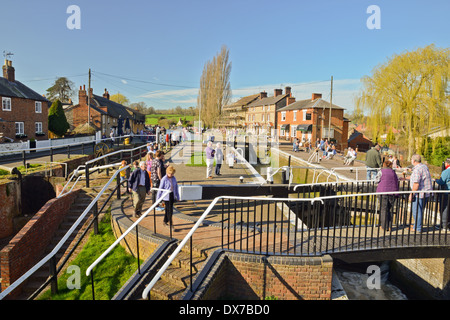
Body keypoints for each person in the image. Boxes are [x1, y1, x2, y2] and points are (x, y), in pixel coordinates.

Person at [409, 154, 433, 232]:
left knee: (416, 210)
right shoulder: (424, 167)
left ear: (414, 161)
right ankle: (417, 225)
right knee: (420, 210)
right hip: (426, 192)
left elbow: (416, 184)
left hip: (419, 193)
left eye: (411, 159)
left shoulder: (417, 169)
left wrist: (411, 194)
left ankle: (417, 228)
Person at [376, 159, 399, 231]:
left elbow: (376, 180)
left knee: (383, 209)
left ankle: (383, 226)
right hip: (392, 193)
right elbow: (396, 180)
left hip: (383, 192)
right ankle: (389, 226)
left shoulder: (381, 171)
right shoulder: (393, 172)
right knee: (389, 209)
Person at [157, 166, 180, 230]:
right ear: (167, 172)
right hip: (166, 196)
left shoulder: (174, 178)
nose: (171, 175)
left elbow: (176, 187)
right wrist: (158, 199)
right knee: (170, 210)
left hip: (172, 195)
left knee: (168, 210)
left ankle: (165, 221)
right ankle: (171, 224)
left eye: (172, 173)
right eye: (170, 173)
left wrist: (177, 196)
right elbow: (160, 189)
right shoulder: (164, 179)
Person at [435, 158, 450, 231]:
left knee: (444, 208)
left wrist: (436, 180)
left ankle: (444, 225)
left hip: (446, 193)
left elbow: (441, 181)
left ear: (447, 164)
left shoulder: (446, 172)